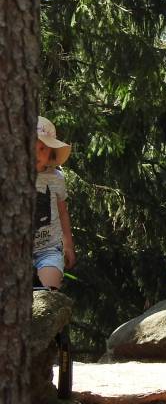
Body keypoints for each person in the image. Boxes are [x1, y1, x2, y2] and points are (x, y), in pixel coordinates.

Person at [34, 116, 75, 290]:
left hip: (49, 249)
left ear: (51, 152)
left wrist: (68, 244)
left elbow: (62, 212)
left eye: (42, 148)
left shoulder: (56, 178)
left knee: (47, 294)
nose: (36, 153)